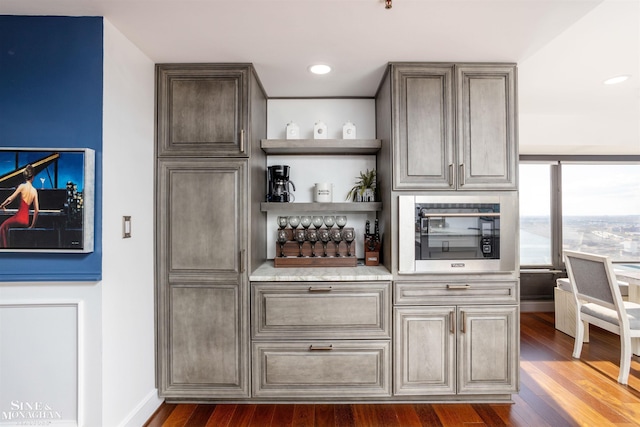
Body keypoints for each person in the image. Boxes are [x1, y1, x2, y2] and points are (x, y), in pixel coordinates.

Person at [0, 164, 40, 248]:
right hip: (26, 221)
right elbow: (37, 211)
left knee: (3, 227)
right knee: (7, 227)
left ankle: (6, 249)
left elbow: (10, 199)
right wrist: (32, 226)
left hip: (18, 218)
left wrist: (2, 205)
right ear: (32, 177)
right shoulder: (34, 191)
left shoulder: (22, 186)